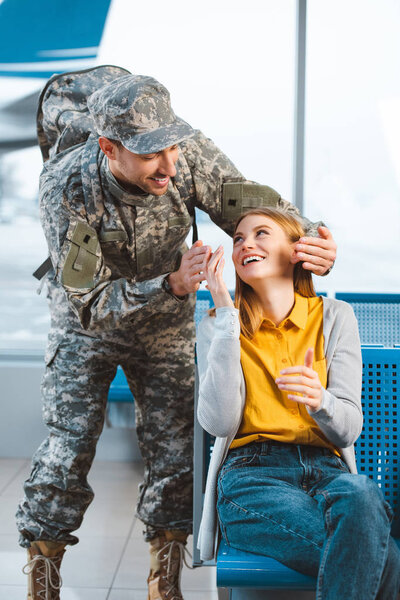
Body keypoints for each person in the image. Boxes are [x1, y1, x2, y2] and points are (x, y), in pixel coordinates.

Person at [17, 67, 337, 600]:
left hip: (167, 319)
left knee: (174, 448)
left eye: (171, 146)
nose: (169, 164)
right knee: (67, 446)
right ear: (109, 148)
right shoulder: (65, 185)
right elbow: (90, 303)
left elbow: (256, 208)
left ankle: (164, 578)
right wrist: (169, 283)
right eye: (149, 153)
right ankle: (42, 577)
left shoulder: (184, 155)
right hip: (88, 327)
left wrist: (308, 240)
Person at [196, 207, 400, 600]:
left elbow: (348, 429)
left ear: (296, 251)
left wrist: (320, 400)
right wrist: (224, 312)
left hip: (328, 472)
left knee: (363, 494)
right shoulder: (218, 325)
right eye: (238, 238)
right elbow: (219, 423)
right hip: (252, 478)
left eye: (260, 234)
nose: (245, 244)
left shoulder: (336, 317)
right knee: (386, 560)